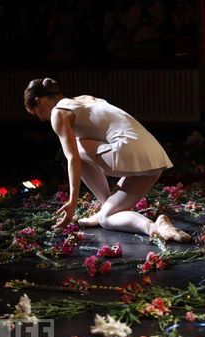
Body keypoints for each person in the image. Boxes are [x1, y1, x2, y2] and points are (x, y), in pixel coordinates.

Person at [24, 77, 191, 242]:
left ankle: (147, 225)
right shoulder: (85, 99)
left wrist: (72, 202)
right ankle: (158, 226)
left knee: (75, 146)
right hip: (155, 157)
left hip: (129, 151)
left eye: (36, 113)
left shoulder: (58, 113)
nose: (40, 119)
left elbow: (73, 158)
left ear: (40, 102)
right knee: (109, 214)